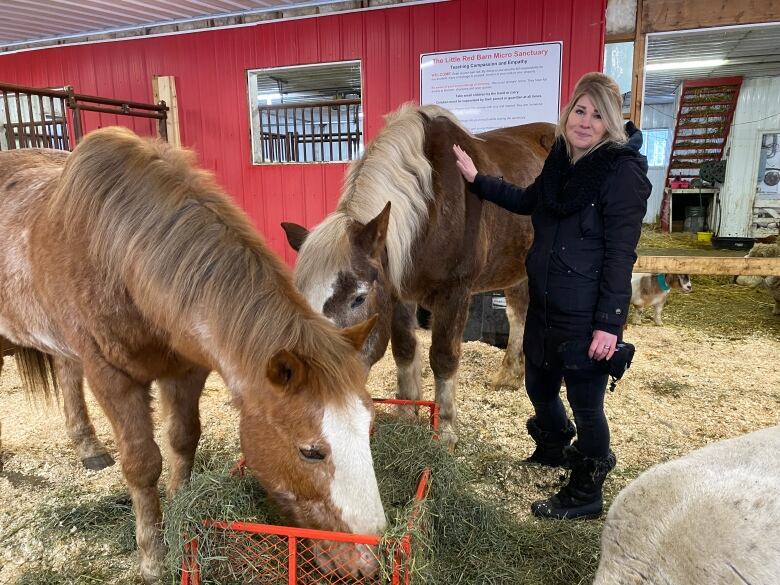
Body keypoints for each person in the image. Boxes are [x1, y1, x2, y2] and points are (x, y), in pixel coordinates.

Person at [453, 72, 651, 520]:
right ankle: (554, 446)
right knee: (539, 386)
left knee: (587, 406)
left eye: (598, 115)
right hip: (545, 302)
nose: (586, 121)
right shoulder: (560, 160)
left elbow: (622, 254)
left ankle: (586, 491)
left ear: (611, 122)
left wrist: (609, 323)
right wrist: (476, 179)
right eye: (580, 110)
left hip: (586, 312)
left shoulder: (622, 174)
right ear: (569, 114)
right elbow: (526, 201)